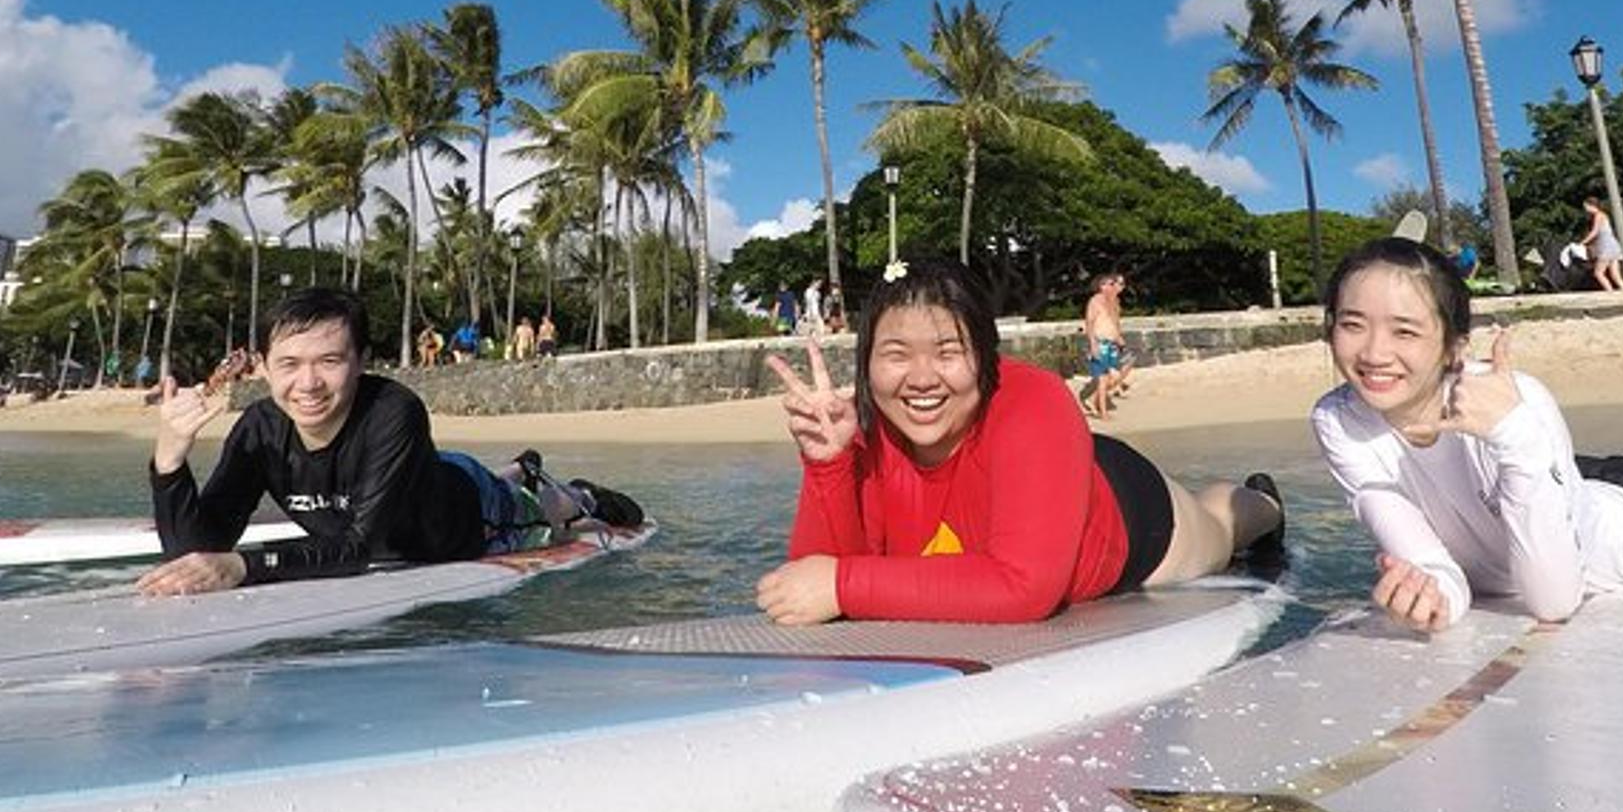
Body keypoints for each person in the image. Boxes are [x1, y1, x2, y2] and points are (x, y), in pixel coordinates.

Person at [1311, 237, 1623, 633]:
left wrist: (1516, 438)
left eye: (1405, 331)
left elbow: (1553, 601)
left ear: (1454, 347)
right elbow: (1429, 560)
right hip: (1555, 484)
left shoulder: (1515, 405)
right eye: (1353, 324)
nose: (1374, 353)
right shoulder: (1338, 420)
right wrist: (1436, 596)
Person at [755, 260, 1285, 626]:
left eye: (947, 352)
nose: (921, 378)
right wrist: (827, 463)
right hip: (1043, 473)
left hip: (1125, 512)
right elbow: (806, 587)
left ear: (986, 357)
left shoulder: (1033, 397)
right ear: (867, 362)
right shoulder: (863, 430)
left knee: (1222, 526)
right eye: (895, 354)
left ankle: (1265, 504)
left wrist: (846, 584)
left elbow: (1024, 587)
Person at [139, 287, 641, 596]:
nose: (308, 383)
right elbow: (196, 550)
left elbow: (363, 545)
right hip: (409, 479)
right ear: (264, 368)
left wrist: (246, 565)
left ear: (359, 362)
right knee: (477, 476)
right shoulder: (259, 429)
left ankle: (571, 489)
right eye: (289, 365)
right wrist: (170, 457)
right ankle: (519, 467)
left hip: (470, 513)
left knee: (544, 508)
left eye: (329, 362)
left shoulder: (393, 410)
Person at [1082, 273, 1134, 421]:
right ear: (1100, 286)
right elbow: (1089, 323)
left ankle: (1093, 401)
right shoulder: (1095, 301)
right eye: (1107, 284)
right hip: (1100, 343)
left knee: (1119, 372)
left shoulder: (1114, 301)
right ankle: (1102, 412)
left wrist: (1119, 339)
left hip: (1112, 343)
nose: (1111, 286)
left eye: (1112, 284)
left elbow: (1114, 323)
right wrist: (1093, 344)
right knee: (1104, 378)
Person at [1579, 195, 1623, 291]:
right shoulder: (1603, 215)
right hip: (1613, 246)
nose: (1586, 210)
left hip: (1606, 247)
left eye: (1586, 207)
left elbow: (1595, 232)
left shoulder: (1598, 216)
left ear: (1591, 205)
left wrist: (1583, 242)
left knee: (1598, 273)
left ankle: (1610, 292)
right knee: (1615, 275)